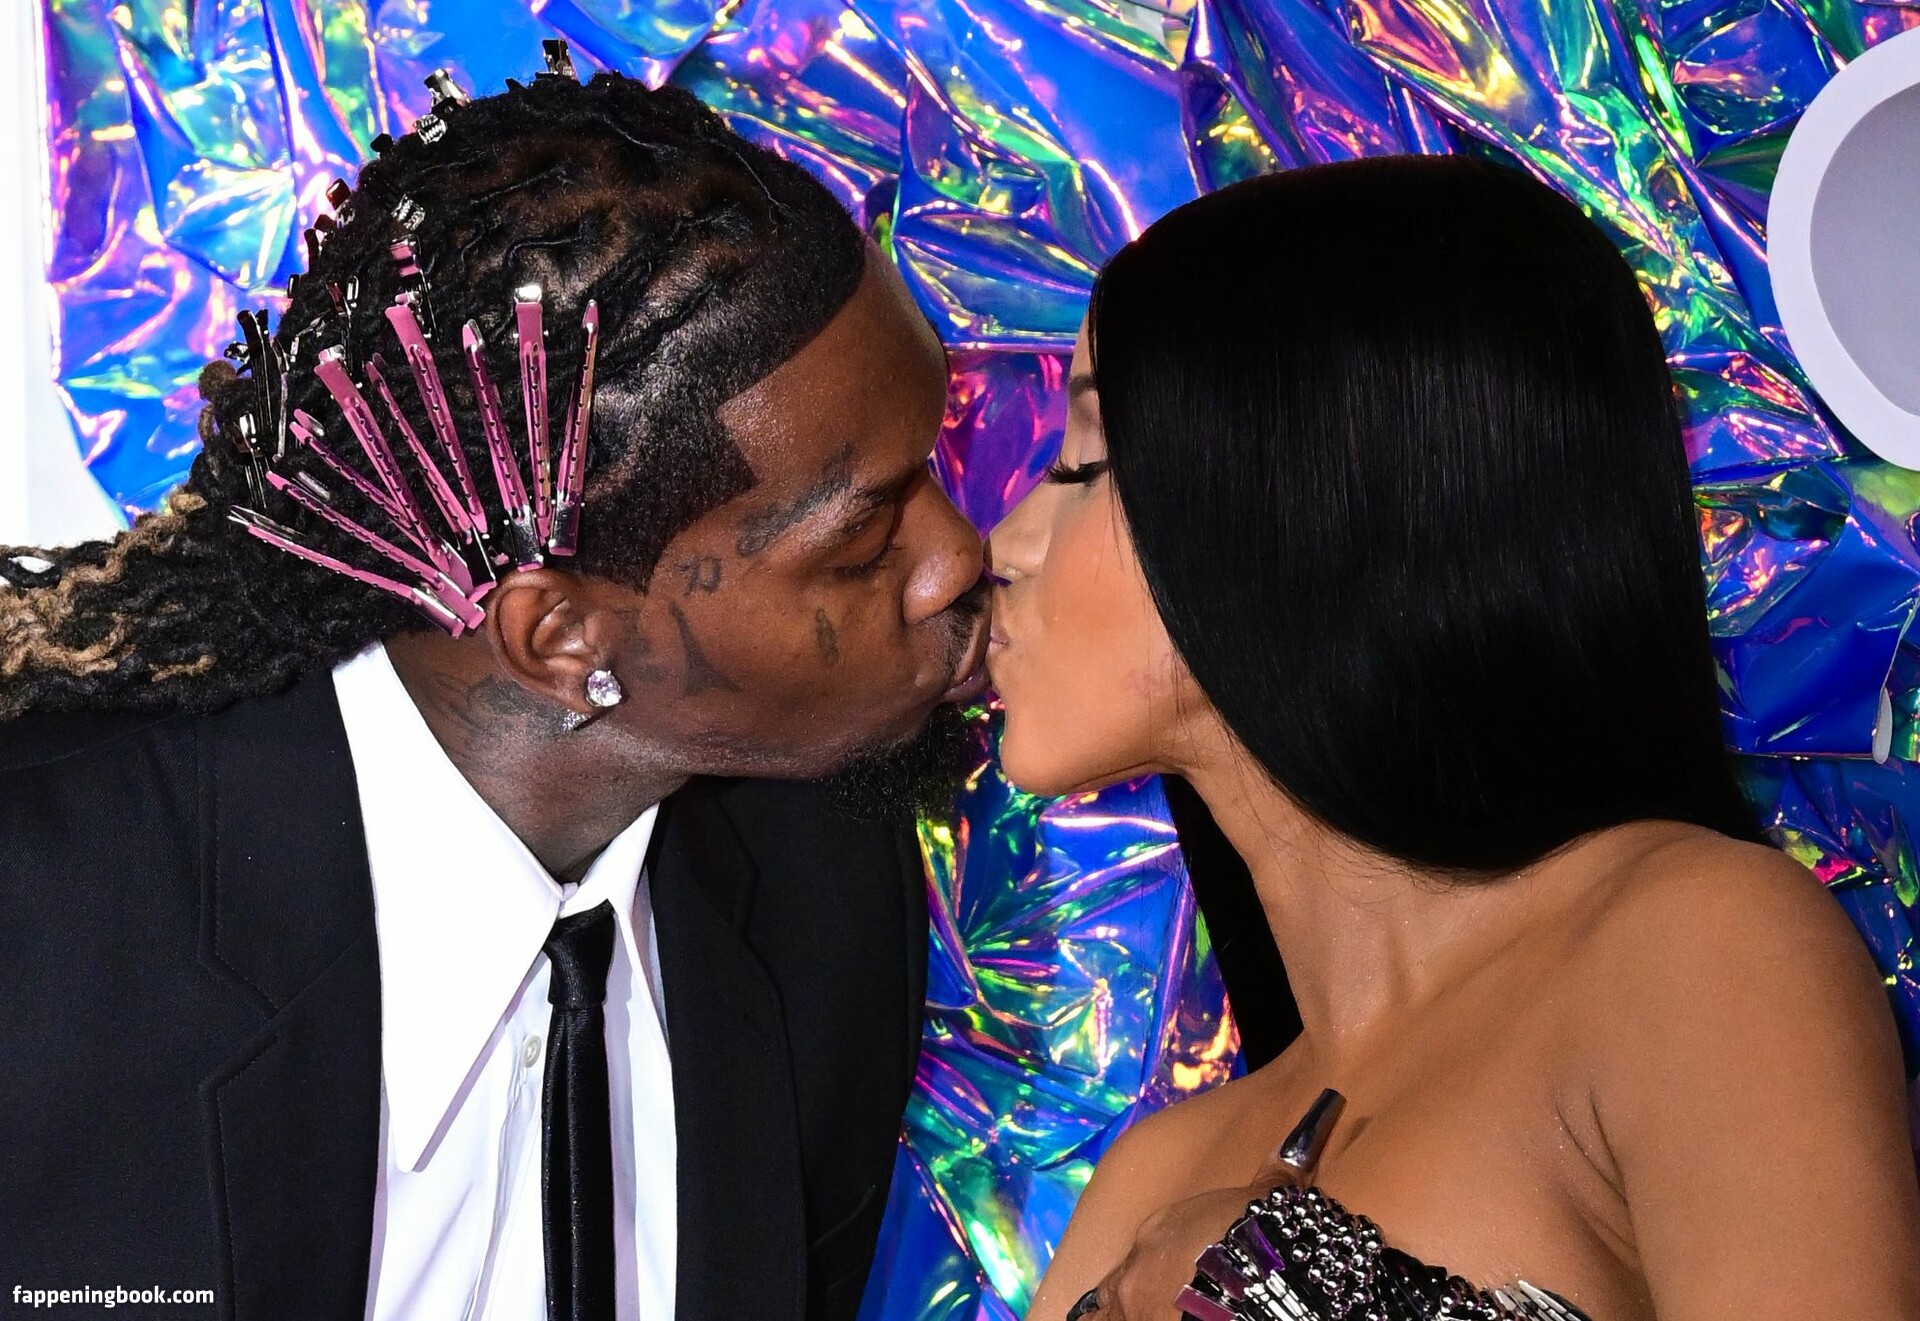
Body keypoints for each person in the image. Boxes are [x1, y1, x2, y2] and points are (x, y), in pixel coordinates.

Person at [0, 50, 988, 1321]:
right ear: (563, 638)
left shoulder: (821, 897)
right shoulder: (44, 926)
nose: (959, 556)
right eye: (863, 540)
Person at [987, 156, 1920, 1320]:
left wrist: (1303, 1282)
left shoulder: (1693, 948)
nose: (1003, 542)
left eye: (1082, 462)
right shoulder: (1149, 1177)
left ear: (1308, 499)